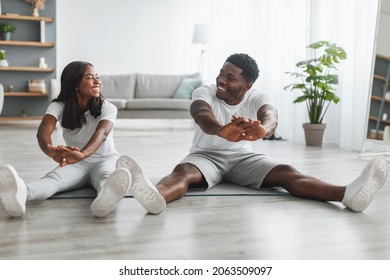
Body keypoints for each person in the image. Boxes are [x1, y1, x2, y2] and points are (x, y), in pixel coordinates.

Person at [118, 53, 388, 214]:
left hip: (242, 159)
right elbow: (201, 114)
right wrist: (221, 130)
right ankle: (156, 197)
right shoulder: (205, 91)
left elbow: (270, 116)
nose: (221, 80)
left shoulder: (257, 96)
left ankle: (347, 194)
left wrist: (264, 130)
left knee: (288, 172)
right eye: (221, 73)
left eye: (230, 77)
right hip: (205, 156)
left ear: (247, 84)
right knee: (183, 174)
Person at [0, 61, 132, 218]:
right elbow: (43, 130)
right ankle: (21, 193)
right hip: (76, 162)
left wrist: (83, 154)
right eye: (90, 78)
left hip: (105, 159)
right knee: (53, 179)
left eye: (97, 77)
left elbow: (102, 133)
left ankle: (106, 198)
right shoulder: (59, 105)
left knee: (106, 179)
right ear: (75, 84)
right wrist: (50, 151)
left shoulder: (108, 107)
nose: (97, 81)